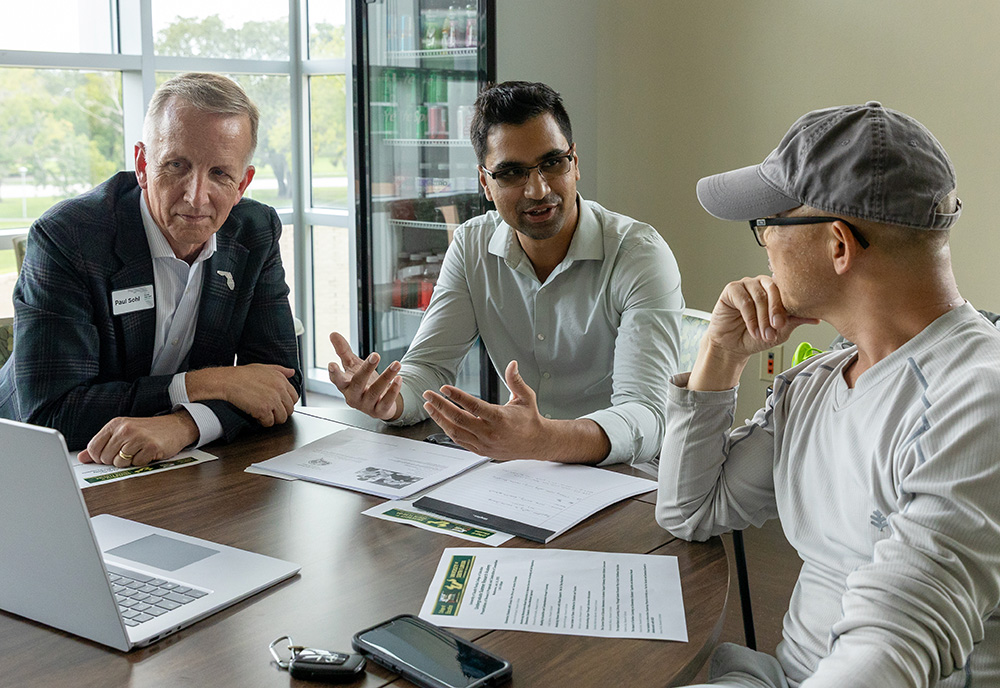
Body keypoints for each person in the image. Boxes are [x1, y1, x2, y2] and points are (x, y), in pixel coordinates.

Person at [657, 101, 1000, 687]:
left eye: (767, 224)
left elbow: (892, 650)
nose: (762, 244)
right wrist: (721, 353)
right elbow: (692, 510)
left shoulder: (977, 401)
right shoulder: (816, 383)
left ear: (838, 245)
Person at [329, 81, 683, 466]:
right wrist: (391, 401)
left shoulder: (639, 255)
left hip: (628, 479)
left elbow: (647, 414)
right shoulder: (472, 245)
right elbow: (429, 368)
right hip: (519, 470)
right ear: (485, 182)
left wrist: (546, 439)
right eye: (512, 172)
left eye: (552, 162)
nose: (537, 189)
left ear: (574, 163)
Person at [0, 72, 301, 468]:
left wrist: (184, 426)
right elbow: (53, 411)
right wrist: (208, 383)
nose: (196, 197)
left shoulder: (254, 232)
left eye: (220, 174)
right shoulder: (68, 237)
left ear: (242, 183)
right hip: (35, 464)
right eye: (177, 165)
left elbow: (280, 388)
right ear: (142, 164)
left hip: (163, 463)